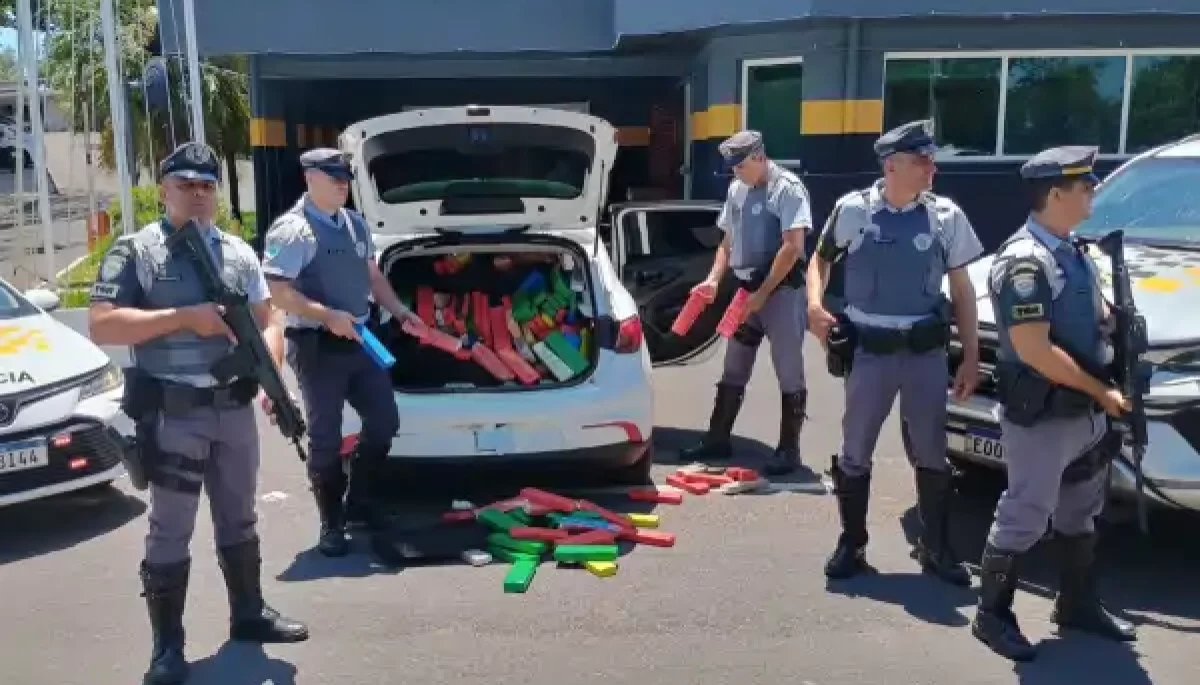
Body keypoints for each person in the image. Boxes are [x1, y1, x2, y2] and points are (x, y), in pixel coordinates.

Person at [87, 142, 308, 685]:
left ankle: (249, 614)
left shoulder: (237, 252)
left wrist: (269, 375)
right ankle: (168, 649)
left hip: (233, 412)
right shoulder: (136, 252)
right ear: (164, 189)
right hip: (175, 413)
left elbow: (267, 320)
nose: (197, 194)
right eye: (185, 185)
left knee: (241, 517)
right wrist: (184, 317)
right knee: (170, 531)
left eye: (207, 185)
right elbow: (103, 324)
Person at [970, 145, 1137, 662]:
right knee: (1027, 513)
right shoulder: (1026, 260)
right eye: (1084, 186)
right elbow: (1033, 348)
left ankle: (1077, 604)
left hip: (1083, 410)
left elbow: (1088, 320)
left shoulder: (1073, 250)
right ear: (1056, 194)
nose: (1092, 192)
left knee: (1081, 508)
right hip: (1045, 411)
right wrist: (1101, 392)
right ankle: (992, 615)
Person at [807, 119, 982, 584]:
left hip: (924, 354)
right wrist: (814, 306)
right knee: (855, 448)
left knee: (931, 450)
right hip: (870, 353)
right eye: (921, 160)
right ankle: (852, 544)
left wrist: (969, 356)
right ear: (891, 165)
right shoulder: (854, 211)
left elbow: (963, 291)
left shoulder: (946, 217)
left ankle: (937, 548)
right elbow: (820, 259)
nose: (932, 168)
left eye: (931, 159)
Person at [261, 148, 424, 558]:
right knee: (325, 438)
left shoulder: (355, 225)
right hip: (317, 344)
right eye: (333, 175)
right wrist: (326, 314)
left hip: (361, 338)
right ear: (309, 178)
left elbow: (372, 277)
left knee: (385, 422)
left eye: (346, 176)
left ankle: (360, 502)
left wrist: (401, 312)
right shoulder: (292, 231)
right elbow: (279, 293)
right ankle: (331, 522)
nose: (342, 183)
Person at [677, 130, 814, 476]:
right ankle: (718, 438)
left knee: (789, 370)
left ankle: (788, 450)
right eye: (732, 167)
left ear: (759, 156)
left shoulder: (787, 188)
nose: (735, 172)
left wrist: (763, 293)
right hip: (745, 290)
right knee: (734, 366)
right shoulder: (737, 190)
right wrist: (713, 278)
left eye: (740, 166)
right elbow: (727, 241)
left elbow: (792, 246)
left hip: (780, 292)